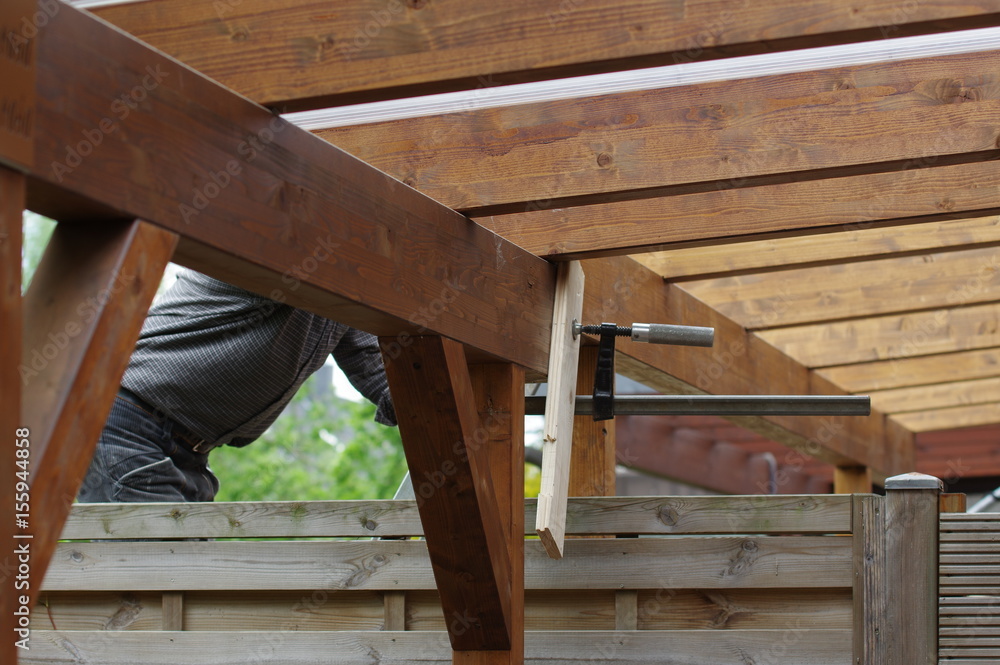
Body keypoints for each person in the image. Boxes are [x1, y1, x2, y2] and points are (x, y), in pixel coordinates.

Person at [78, 269, 396, 503]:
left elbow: (381, 375)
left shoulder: (344, 296)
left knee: (189, 572)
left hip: (190, 449)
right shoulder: (290, 246)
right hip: (128, 419)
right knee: (160, 568)